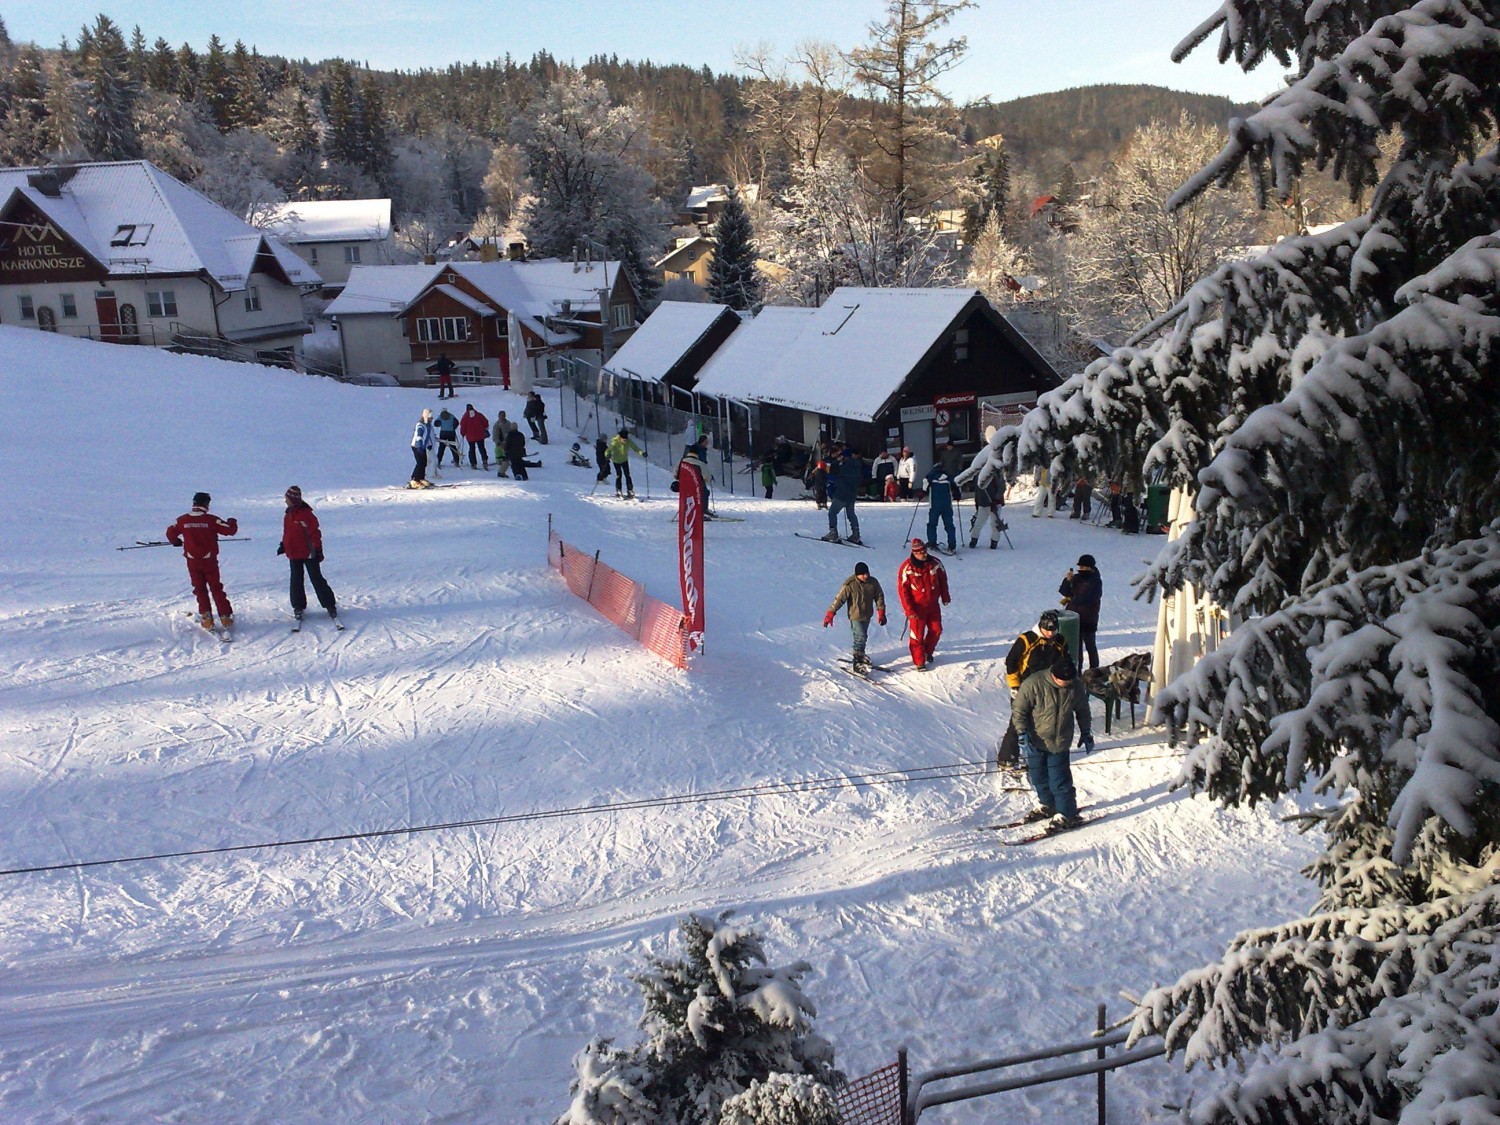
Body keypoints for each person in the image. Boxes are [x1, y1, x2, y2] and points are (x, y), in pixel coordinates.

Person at [1012, 655, 1091, 830]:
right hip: (1036, 739)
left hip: (1060, 740)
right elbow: (1019, 709)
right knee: (1039, 777)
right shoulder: (1034, 684)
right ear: (1053, 676)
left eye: (1069, 680)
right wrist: (1021, 731)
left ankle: (1067, 813)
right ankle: (1048, 805)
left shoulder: (1075, 686)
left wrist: (1086, 731)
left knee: (1059, 780)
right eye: (1063, 681)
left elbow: (1082, 709)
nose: (1067, 684)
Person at [996, 609, 1070, 768]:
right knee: (1018, 721)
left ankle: (1039, 754)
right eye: (1047, 630)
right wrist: (1014, 684)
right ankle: (1007, 756)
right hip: (1025, 687)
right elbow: (1011, 661)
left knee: (1044, 722)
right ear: (1041, 626)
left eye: (1053, 630)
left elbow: (1065, 662)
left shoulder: (1060, 642)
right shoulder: (1027, 640)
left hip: (1048, 688)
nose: (1050, 634)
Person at [166, 491, 238, 633]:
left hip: (192, 561)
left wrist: (176, 542)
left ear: (193, 503)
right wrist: (232, 521)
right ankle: (225, 616)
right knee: (216, 587)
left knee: (200, 589)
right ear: (207, 504)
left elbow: (170, 532)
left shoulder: (183, 520)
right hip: (209, 560)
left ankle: (207, 618)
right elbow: (230, 530)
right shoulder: (211, 520)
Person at [277, 485, 338, 627]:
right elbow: (287, 533)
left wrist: (318, 550)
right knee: (296, 579)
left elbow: (315, 534)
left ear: (293, 500)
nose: (285, 501)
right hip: (293, 552)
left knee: (316, 578)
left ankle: (329, 604)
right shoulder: (288, 514)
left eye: (287, 499)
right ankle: (298, 606)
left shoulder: (306, 515)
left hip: (308, 553)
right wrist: (283, 545)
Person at [823, 561, 887, 672]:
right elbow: (839, 599)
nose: (866, 576)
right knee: (860, 637)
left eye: (867, 573)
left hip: (867, 614)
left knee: (863, 636)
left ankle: (861, 654)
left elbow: (879, 596)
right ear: (857, 574)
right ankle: (857, 662)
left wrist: (881, 611)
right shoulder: (850, 584)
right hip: (855, 616)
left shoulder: (873, 582)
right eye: (863, 574)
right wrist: (830, 613)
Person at [897, 538, 950, 670]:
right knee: (917, 635)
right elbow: (903, 592)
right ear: (914, 553)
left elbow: (943, 580)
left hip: (933, 606)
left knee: (936, 630)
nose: (924, 554)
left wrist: (945, 596)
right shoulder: (907, 568)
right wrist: (909, 611)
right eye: (921, 552)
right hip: (917, 609)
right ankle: (919, 661)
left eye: (925, 551)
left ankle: (927, 652)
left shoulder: (935, 563)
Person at [1059, 553, 1103, 670]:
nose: (1081, 570)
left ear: (1090, 568)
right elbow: (1064, 591)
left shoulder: (1095, 581)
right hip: (1073, 618)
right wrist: (1067, 581)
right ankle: (1077, 671)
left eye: (1084, 567)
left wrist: (1073, 599)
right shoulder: (1076, 578)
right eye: (1080, 567)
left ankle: (1094, 670)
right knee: (1076, 647)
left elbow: (1089, 598)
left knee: (1090, 646)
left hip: (1088, 619)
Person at [823, 446, 865, 544]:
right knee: (851, 513)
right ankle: (856, 534)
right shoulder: (858, 465)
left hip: (841, 493)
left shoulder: (843, 466)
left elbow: (832, 469)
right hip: (852, 494)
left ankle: (833, 533)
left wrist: (837, 461)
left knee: (832, 513)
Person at [921, 461, 959, 552]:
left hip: (934, 505)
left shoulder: (931, 476)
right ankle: (952, 545)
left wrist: (921, 493)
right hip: (947, 505)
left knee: (932, 524)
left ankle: (932, 542)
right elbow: (956, 488)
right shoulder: (949, 477)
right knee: (949, 525)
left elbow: (924, 486)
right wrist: (957, 495)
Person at [968, 470, 1007, 549]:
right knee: (978, 522)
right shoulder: (977, 474)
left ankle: (994, 542)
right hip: (983, 503)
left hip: (995, 503)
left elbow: (1002, 487)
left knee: (995, 524)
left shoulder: (996, 472)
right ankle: (974, 539)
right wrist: (977, 503)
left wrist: (996, 500)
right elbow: (977, 490)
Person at [606, 428, 643, 497]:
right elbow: (608, 450)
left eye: (626, 439)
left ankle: (630, 490)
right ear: (620, 438)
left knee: (627, 475)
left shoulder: (629, 442)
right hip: (616, 461)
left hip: (624, 460)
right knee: (619, 475)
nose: (625, 441)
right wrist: (607, 455)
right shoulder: (615, 442)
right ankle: (618, 490)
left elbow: (636, 449)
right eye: (623, 439)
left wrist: (642, 453)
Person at [410, 408, 436, 488]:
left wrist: (428, 445)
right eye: (430, 418)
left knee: (424, 462)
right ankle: (414, 479)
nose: (431, 419)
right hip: (417, 446)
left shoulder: (427, 425)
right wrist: (420, 446)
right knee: (420, 463)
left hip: (423, 446)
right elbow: (419, 436)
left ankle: (421, 478)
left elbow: (427, 437)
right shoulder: (420, 425)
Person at [459, 403, 491, 470]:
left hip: (471, 437)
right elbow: (485, 422)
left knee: (472, 449)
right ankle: (484, 460)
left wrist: (462, 433)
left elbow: (463, 426)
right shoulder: (479, 415)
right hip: (480, 435)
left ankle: (473, 463)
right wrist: (485, 428)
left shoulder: (465, 417)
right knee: (482, 448)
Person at [435, 407, 461, 472]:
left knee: (441, 448)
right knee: (453, 447)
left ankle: (438, 461)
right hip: (451, 433)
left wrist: (441, 424)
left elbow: (436, 423)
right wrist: (453, 427)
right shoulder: (451, 416)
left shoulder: (440, 416)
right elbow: (457, 422)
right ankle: (456, 461)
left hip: (443, 433)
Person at [492, 411, 517, 477]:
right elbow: (495, 435)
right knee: (505, 457)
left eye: (504, 415)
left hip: (508, 443)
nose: (503, 417)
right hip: (501, 443)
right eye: (501, 415)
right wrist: (498, 442)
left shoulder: (508, 423)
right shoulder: (496, 425)